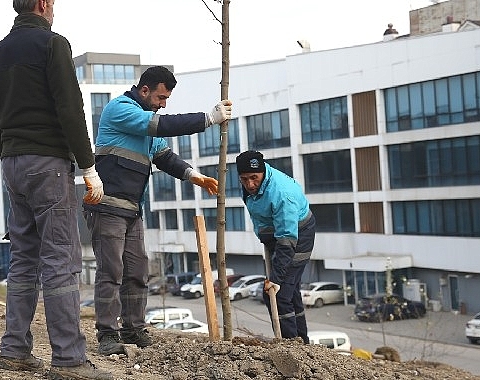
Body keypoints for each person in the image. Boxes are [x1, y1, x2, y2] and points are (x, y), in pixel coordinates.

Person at [0, 1, 111, 379]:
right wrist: (88, 167)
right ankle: (69, 359)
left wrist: (10, 155)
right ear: (42, 5)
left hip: (13, 164)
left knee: (23, 259)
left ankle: (14, 350)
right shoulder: (52, 45)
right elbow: (71, 109)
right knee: (60, 261)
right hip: (48, 164)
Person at [83, 65, 232, 355]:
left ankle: (133, 329)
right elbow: (159, 125)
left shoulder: (144, 123)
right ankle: (107, 335)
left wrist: (193, 175)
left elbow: (163, 155)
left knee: (137, 271)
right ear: (145, 90)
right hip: (108, 207)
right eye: (161, 98)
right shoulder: (121, 110)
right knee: (111, 272)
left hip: (132, 210)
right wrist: (208, 119)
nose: (163, 104)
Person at [235, 150, 315, 343]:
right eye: (244, 179)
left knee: (276, 294)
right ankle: (301, 342)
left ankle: (289, 345)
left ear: (263, 172)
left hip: (297, 236)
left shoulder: (281, 194)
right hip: (277, 238)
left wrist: (275, 279)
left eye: (254, 178)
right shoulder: (252, 185)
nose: (250, 184)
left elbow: (287, 239)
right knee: (290, 291)